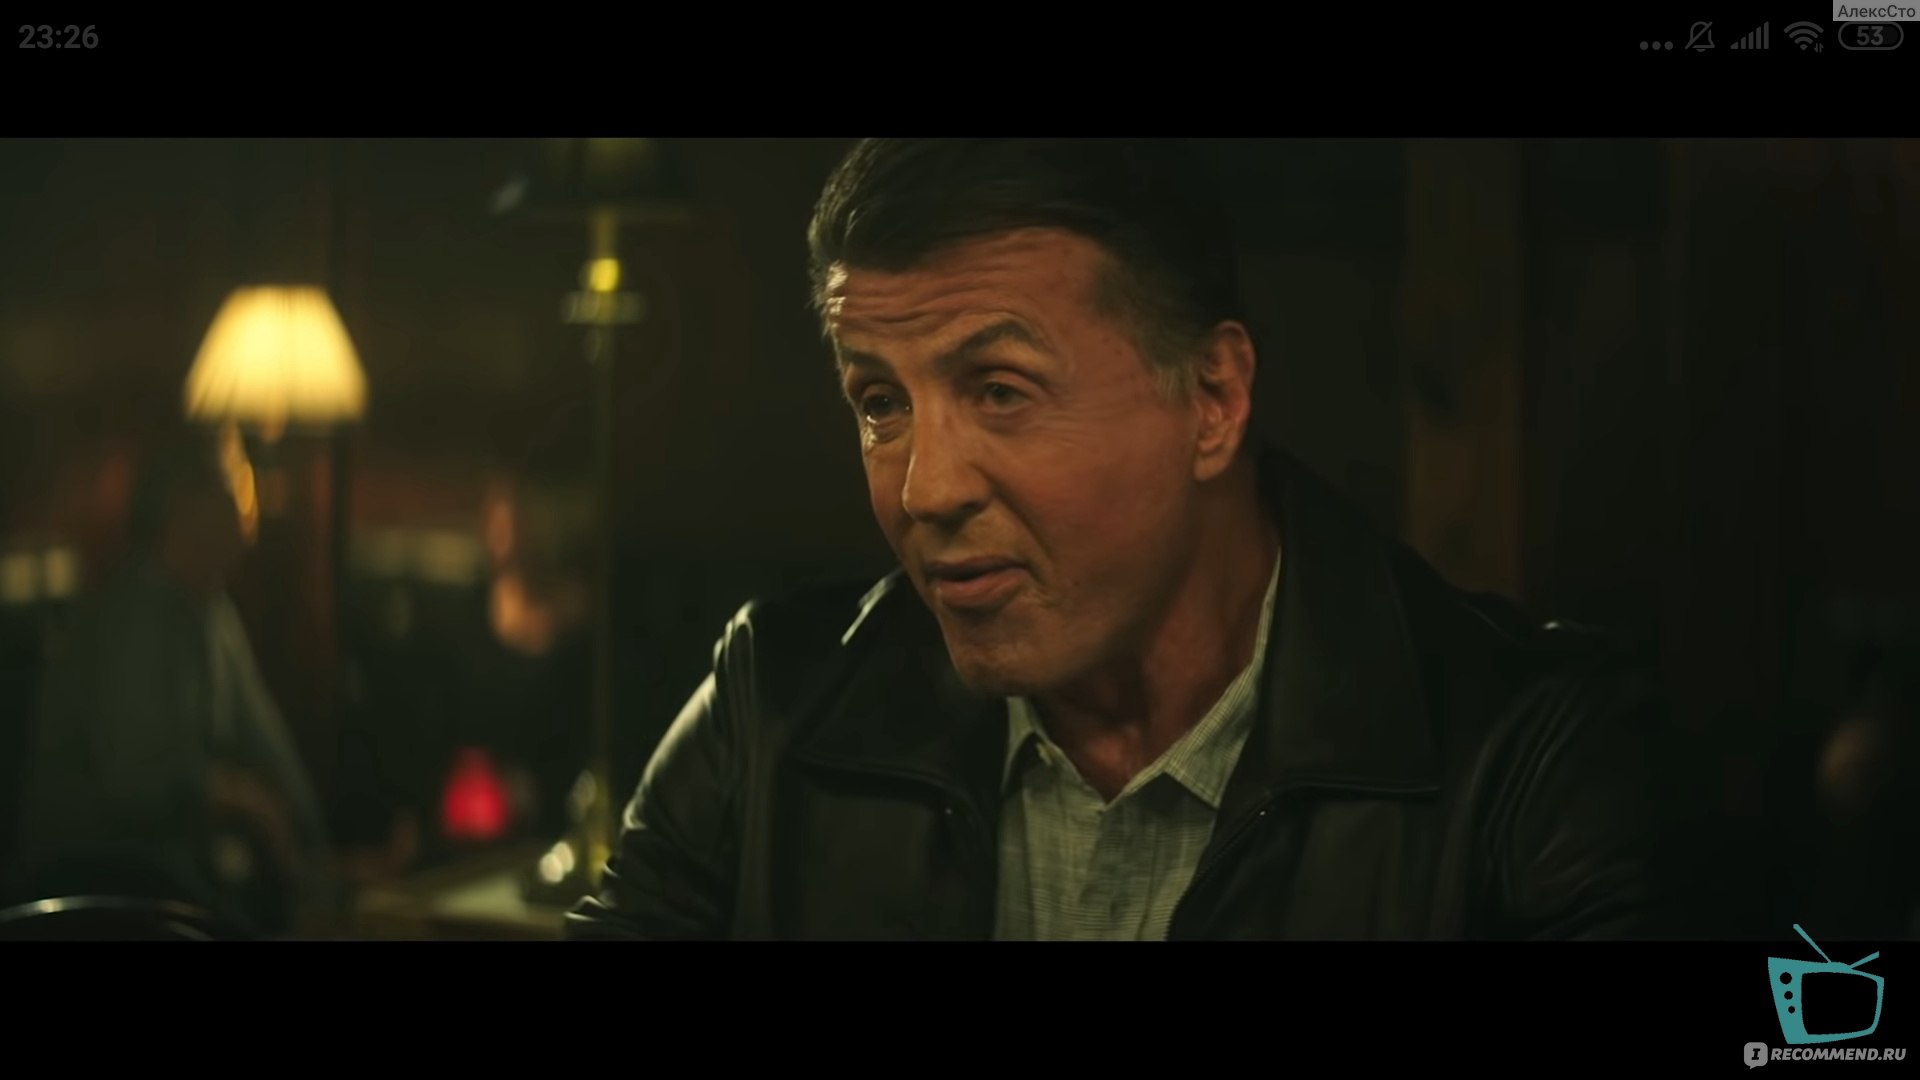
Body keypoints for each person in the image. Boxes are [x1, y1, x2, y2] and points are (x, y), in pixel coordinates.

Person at [566, 138, 1703, 940]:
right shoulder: (775, 708)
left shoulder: (1523, 763)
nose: (924, 488)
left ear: (1211, 401)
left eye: (1001, 389)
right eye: (880, 403)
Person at [8, 431, 335, 936]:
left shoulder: (213, 612)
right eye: (235, 496)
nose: (248, 521)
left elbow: (266, 744)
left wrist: (320, 858)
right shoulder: (131, 617)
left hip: (182, 876)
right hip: (99, 884)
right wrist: (240, 799)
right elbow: (137, 782)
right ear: (186, 506)